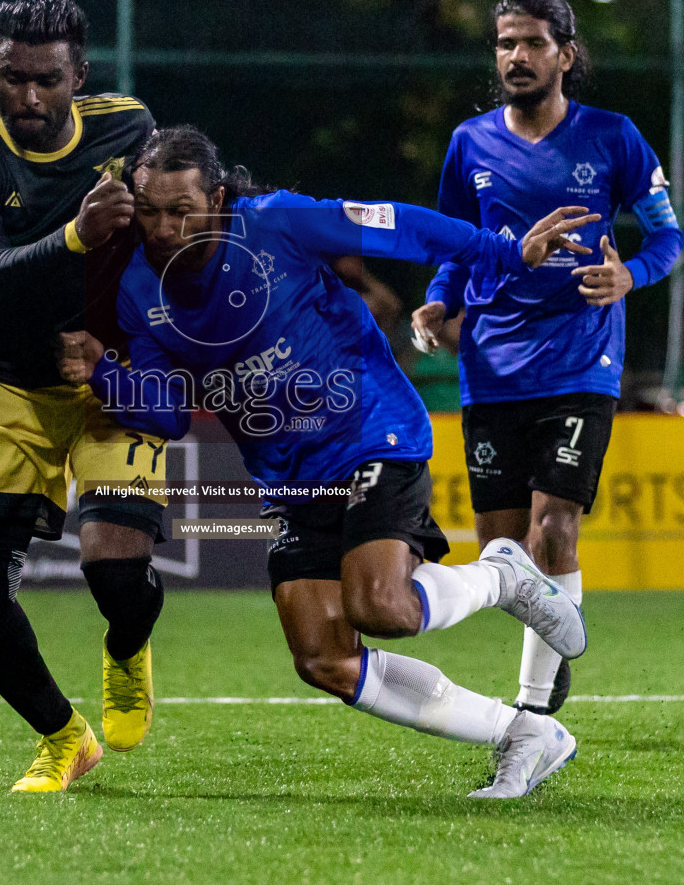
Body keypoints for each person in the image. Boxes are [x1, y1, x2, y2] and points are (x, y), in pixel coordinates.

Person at [60, 127, 597, 798]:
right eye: (148, 211)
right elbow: (167, 414)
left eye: (181, 211)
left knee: (382, 605)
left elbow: (399, 227)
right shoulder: (141, 289)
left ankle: (500, 577)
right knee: (324, 659)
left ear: (219, 199)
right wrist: (104, 373)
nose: (164, 228)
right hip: (292, 477)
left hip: (371, 431)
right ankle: (524, 734)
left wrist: (508, 251)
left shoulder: (278, 222)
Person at [411, 0, 683, 717]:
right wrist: (441, 300)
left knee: (554, 527)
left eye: (532, 43)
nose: (516, 56)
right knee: (505, 553)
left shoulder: (615, 137)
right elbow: (454, 246)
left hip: (580, 361)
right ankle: (555, 630)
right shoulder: (470, 143)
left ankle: (533, 711)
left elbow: (667, 237)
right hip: (493, 367)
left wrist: (632, 274)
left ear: (565, 54)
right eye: (505, 43)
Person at [0, 0, 166, 793]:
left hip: (119, 382)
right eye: (12, 79)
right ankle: (65, 737)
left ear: (80, 75)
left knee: (115, 576)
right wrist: (73, 236)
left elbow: (173, 235)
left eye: (47, 81)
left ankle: (126, 644)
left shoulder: (130, 127)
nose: (29, 99)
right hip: (13, 387)